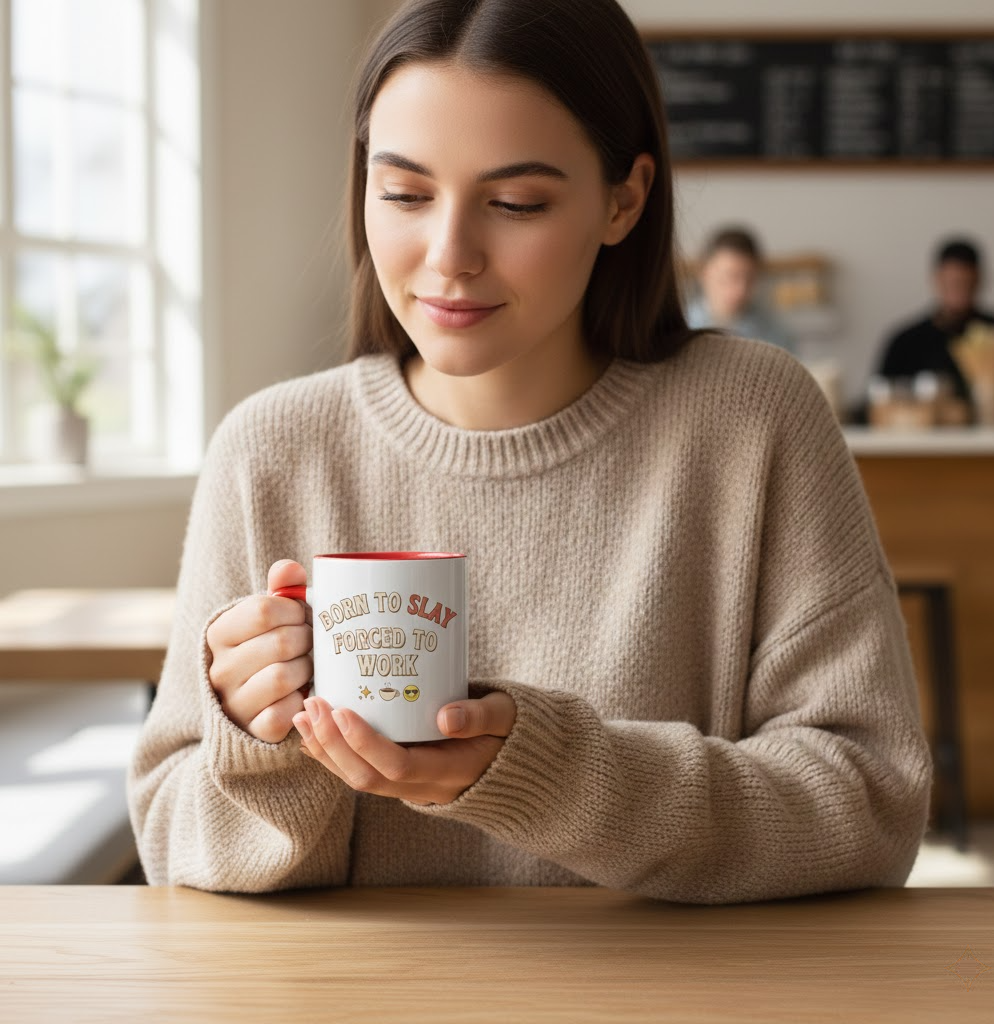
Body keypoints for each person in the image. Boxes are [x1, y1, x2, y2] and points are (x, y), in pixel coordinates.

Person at [127, 0, 931, 904]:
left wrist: (557, 776)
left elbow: (872, 801)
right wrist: (261, 744)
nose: (450, 256)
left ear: (624, 199)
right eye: (405, 194)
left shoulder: (752, 420)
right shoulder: (270, 450)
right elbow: (169, 842)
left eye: (516, 203)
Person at [874, 238, 994, 418]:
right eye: (952, 283)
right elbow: (878, 399)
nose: (959, 290)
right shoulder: (905, 341)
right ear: (936, 279)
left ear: (979, 279)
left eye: (965, 283)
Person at [687, 227, 797, 354]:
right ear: (703, 273)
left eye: (750, 279)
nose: (741, 290)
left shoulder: (775, 332)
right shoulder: (681, 327)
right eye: (731, 276)